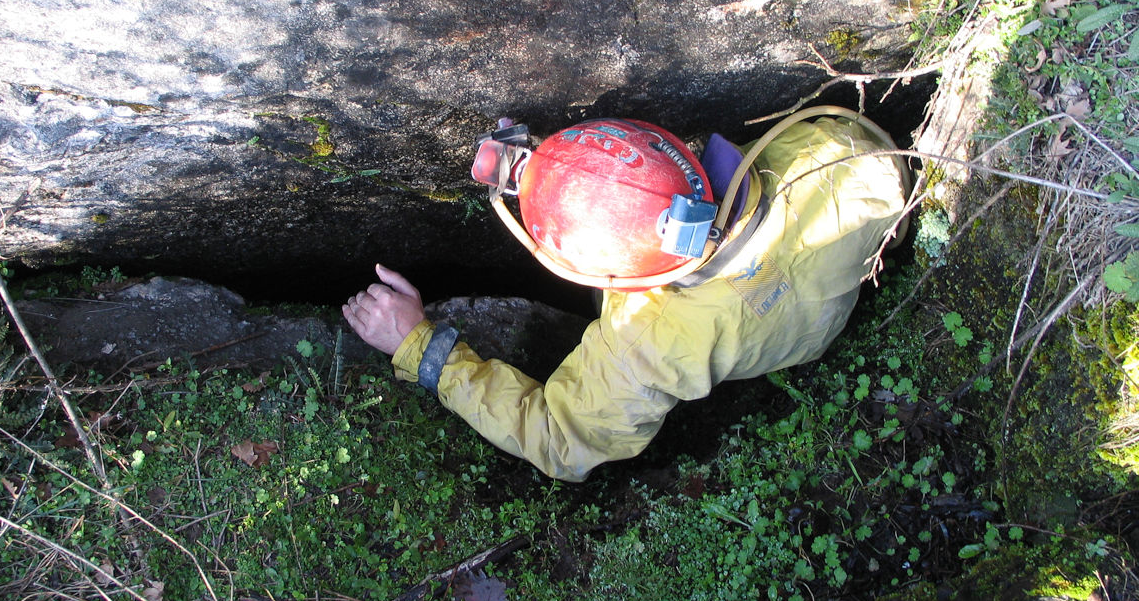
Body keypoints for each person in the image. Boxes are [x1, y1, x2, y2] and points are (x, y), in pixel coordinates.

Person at [342, 108, 910, 482]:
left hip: (756, 334)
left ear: (619, 280)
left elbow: (561, 441)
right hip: (809, 308)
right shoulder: (832, 147)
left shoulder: (645, 343)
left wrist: (419, 345)